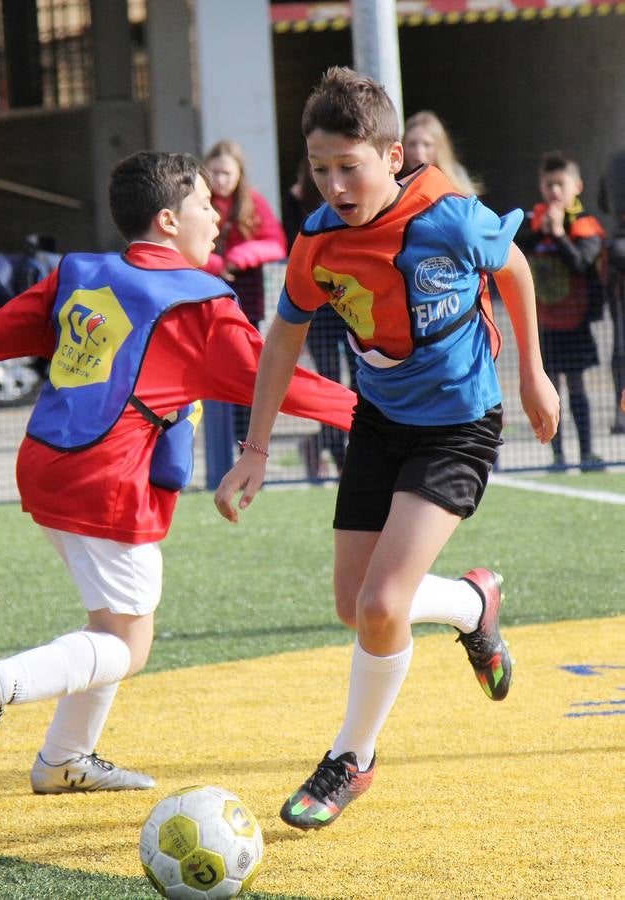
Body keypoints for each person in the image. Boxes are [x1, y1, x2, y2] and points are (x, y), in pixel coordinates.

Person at [0, 151, 356, 793]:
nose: (216, 218)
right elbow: (288, 383)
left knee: (106, 623)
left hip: (44, 464)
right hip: (108, 482)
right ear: (168, 219)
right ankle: (3, 682)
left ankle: (63, 760)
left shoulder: (78, 276)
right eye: (202, 207)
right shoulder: (199, 307)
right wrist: (393, 416)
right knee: (128, 644)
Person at [215, 67, 559, 831]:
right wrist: (256, 448)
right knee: (357, 608)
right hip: (378, 424)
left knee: (380, 603)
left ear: (393, 155)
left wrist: (532, 374)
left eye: (349, 166)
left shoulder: (448, 217)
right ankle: (475, 604)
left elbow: (515, 270)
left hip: (460, 426)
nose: (334, 184)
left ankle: (351, 760)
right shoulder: (316, 243)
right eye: (318, 168)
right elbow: (282, 342)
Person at [518, 151, 606, 471]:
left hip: (576, 322)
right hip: (545, 323)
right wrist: (542, 230)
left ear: (576, 186)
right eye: (548, 184)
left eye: (560, 184)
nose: (554, 191)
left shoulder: (585, 225)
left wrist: (557, 234)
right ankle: (556, 455)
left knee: (577, 387)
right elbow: (514, 251)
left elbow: (583, 263)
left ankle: (586, 452)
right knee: (548, 388)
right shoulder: (534, 221)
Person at [203, 140, 288, 439]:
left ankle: (245, 440)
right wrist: (214, 263)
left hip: (246, 301)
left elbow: (275, 243)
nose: (221, 179)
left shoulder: (253, 202)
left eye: (227, 172)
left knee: (245, 372)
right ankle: (219, 446)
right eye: (215, 172)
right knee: (214, 373)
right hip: (207, 298)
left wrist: (239, 258)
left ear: (239, 174)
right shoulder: (199, 202)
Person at [283, 154, 356, 478]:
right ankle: (338, 454)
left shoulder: (353, 200)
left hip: (353, 301)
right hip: (318, 307)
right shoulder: (298, 199)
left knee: (360, 381)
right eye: (321, 169)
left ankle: (324, 446)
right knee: (328, 380)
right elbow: (291, 247)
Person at [599, 148, 625, 433]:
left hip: (619, 251)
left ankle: (621, 413)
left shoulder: (616, 159)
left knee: (620, 341)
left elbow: (603, 201)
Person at [401, 109, 483, 196]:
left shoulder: (456, 176)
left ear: (439, 148)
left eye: (427, 144)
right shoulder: (395, 181)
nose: (419, 151)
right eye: (412, 144)